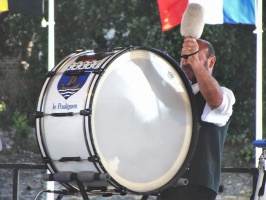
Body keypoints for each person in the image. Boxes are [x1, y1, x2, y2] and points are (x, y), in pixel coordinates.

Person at [157, 38, 235, 200]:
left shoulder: (224, 94)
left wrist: (194, 62)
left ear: (211, 61)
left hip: (197, 186)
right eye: (184, 57)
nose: (186, 62)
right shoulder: (172, 96)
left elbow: (216, 102)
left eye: (194, 56)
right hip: (167, 183)